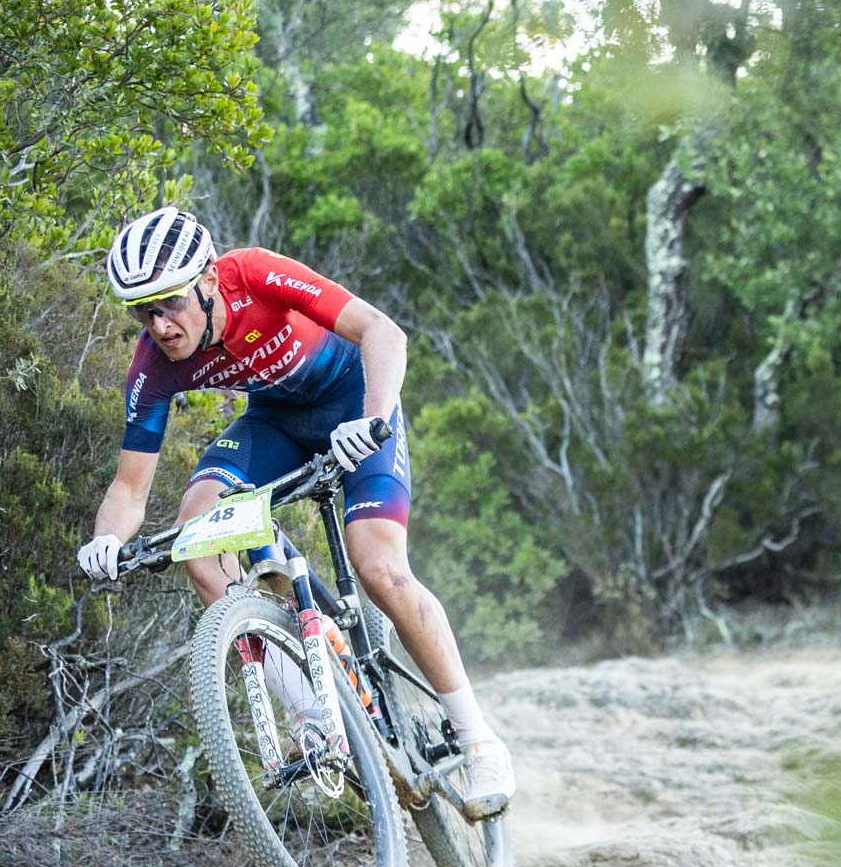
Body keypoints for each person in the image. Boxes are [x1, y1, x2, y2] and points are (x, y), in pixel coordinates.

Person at [75, 207, 514, 817]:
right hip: (275, 424)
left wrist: (374, 418)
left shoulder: (255, 275)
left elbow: (383, 332)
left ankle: (477, 739)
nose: (160, 325)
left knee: (379, 566)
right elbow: (128, 489)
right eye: (142, 312)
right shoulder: (154, 363)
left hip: (355, 403)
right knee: (198, 537)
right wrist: (105, 541)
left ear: (208, 279)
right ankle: (313, 713)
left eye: (170, 302)